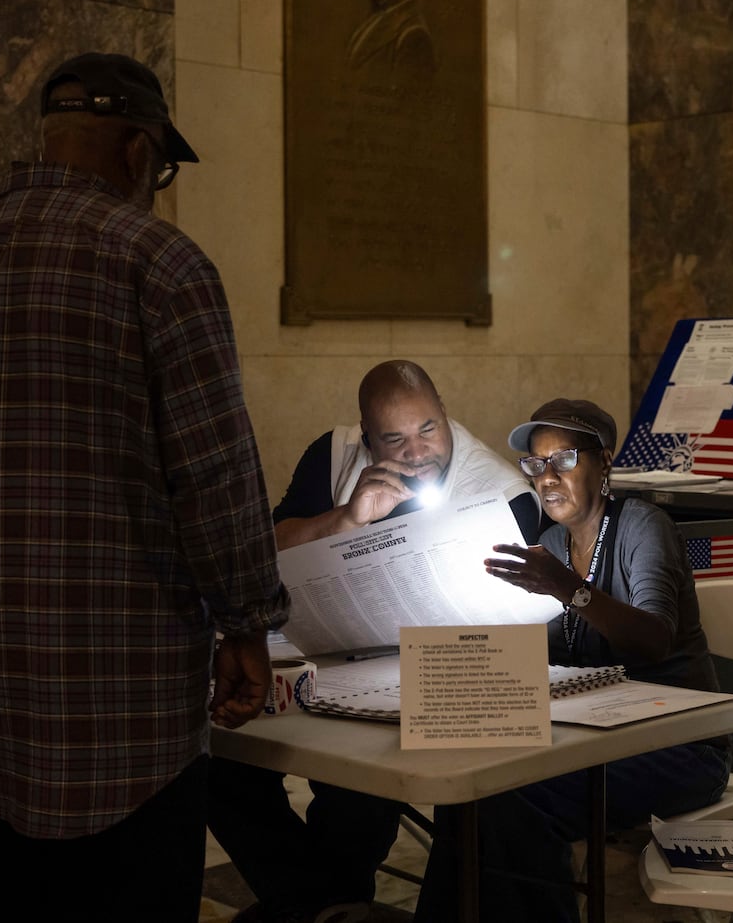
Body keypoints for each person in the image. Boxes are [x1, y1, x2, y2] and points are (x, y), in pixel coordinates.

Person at [0, 52, 287, 922]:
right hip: (122, 731)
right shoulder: (161, 265)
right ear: (138, 153)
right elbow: (213, 476)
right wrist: (245, 620)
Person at [206, 359, 539, 923]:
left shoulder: (502, 492)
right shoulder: (335, 454)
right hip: (324, 662)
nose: (416, 452)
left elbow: (512, 626)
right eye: (395, 439)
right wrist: (342, 521)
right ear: (367, 438)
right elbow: (270, 544)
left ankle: (314, 906)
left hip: (437, 678)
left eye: (428, 429)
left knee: (359, 782)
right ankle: (330, 905)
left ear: (445, 416)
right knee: (216, 758)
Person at [413, 398, 732, 923]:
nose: (547, 477)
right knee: (466, 790)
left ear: (603, 462)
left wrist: (569, 590)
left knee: (513, 801)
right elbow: (545, 648)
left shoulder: (641, 527)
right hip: (599, 732)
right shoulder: (551, 544)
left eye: (563, 460)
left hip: (680, 745)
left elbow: (652, 640)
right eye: (536, 465)